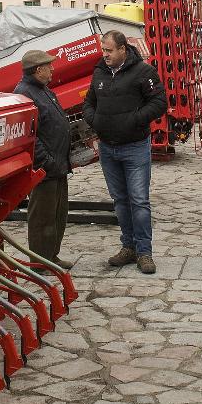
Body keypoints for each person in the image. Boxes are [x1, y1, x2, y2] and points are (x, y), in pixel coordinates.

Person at [82, 30, 167, 274]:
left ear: (122, 49)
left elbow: (159, 103)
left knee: (139, 201)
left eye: (109, 50)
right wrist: (95, 119)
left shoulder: (143, 72)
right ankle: (128, 246)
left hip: (135, 147)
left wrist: (135, 120)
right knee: (120, 201)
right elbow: (89, 102)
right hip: (108, 148)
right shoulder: (99, 71)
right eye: (103, 50)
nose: (104, 54)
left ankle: (144, 252)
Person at [13, 50, 73, 268]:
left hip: (57, 165)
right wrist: (46, 161)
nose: (53, 69)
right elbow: (29, 135)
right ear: (38, 70)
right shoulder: (25, 93)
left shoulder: (42, 90)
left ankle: (52, 256)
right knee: (42, 218)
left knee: (57, 214)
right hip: (45, 168)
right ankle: (40, 261)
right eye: (49, 66)